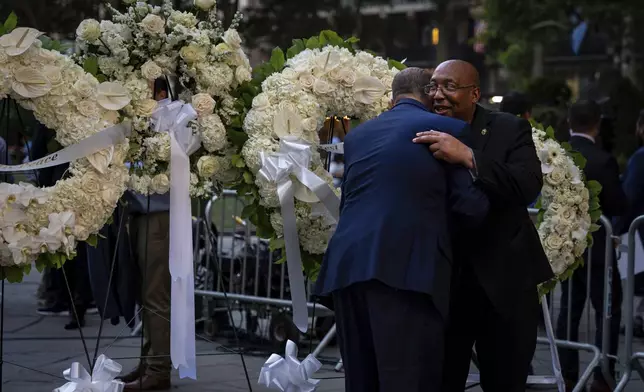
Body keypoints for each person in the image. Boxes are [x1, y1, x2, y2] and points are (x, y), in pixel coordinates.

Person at [314, 67, 490, 392]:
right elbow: (472, 207)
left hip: (347, 267)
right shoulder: (447, 129)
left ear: (394, 97)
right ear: (429, 95)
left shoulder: (357, 136)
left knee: (361, 380)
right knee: (408, 378)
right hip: (406, 271)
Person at [413, 60, 553, 392]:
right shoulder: (418, 129)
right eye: (433, 86)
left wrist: (469, 156)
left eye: (449, 86)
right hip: (447, 284)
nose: (438, 95)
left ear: (474, 93)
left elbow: (527, 184)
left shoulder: (508, 128)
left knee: (504, 379)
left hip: (505, 282)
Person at [555, 100, 627, 392]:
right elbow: (618, 203)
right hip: (598, 248)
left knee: (568, 312)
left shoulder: (555, 156)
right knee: (607, 310)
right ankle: (602, 374)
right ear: (597, 124)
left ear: (569, 121)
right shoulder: (602, 159)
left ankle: (567, 371)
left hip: (563, 246)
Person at [118, 78, 172, 391]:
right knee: (145, 293)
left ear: (161, 93)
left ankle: (159, 370)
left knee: (155, 294)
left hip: (159, 214)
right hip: (141, 211)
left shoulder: (170, 116)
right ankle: (149, 359)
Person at [621, 109, 644, 337]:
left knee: (638, 280)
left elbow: (630, 195)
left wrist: (618, 227)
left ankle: (637, 320)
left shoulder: (640, 157)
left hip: (640, 230)